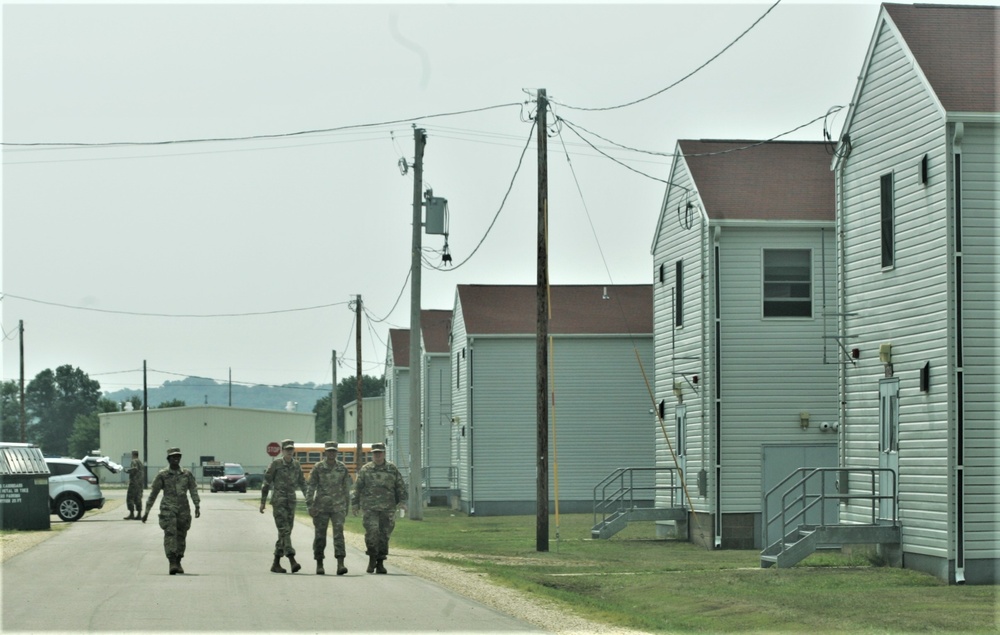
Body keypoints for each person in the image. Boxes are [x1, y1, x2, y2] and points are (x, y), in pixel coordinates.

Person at [141, 447, 200, 575]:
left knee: (181, 535)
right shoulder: (163, 475)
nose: (176, 458)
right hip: (168, 508)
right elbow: (154, 493)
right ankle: (172, 561)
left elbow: (193, 489)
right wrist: (146, 511)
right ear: (168, 459)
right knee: (170, 534)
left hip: (183, 509)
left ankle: (178, 560)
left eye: (178, 456)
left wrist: (197, 505)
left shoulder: (186, 474)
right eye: (173, 457)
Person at [351, 442, 407, 574]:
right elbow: (357, 488)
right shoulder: (366, 469)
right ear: (372, 454)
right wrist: (355, 504)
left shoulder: (392, 469)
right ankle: (372, 559)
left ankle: (380, 562)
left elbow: (400, 486)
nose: (377, 455)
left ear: (384, 454)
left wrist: (402, 501)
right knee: (372, 533)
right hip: (370, 508)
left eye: (380, 453)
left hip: (388, 508)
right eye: (375, 453)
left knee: (384, 535)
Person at [260, 438, 308, 573]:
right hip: (279, 501)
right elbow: (266, 482)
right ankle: (292, 559)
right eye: (287, 450)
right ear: (282, 451)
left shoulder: (296, 465)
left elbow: (302, 483)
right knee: (284, 531)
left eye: (291, 449)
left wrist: (309, 498)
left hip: (291, 502)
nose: (289, 452)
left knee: (285, 533)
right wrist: (263, 502)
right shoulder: (276, 464)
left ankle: (276, 563)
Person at [305, 441, 352, 575]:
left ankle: (340, 564)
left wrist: (346, 507)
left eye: (334, 451)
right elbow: (311, 487)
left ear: (337, 452)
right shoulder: (318, 467)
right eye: (329, 451)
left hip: (338, 507)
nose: (331, 453)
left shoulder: (342, 468)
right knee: (320, 536)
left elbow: (346, 489)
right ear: (325, 452)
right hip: (321, 507)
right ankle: (319, 564)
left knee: (339, 535)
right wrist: (310, 505)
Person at [123, 449, 144, 520]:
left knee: (130, 498)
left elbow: (135, 468)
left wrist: (127, 471)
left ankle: (131, 513)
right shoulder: (140, 462)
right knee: (138, 498)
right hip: (140, 483)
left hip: (134, 483)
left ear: (133, 455)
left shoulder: (134, 461)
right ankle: (139, 514)